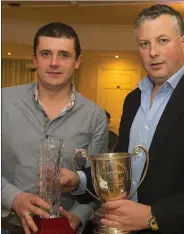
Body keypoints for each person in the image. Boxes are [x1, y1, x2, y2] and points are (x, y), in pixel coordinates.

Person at [98, 4, 184, 234]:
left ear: (183, 43)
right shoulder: (132, 100)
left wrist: (153, 216)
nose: (153, 52)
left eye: (163, 40)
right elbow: (124, 168)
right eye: (145, 44)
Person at [2, 22, 108, 234]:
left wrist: (78, 216)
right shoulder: (3, 101)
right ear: (34, 59)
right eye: (45, 53)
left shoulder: (95, 117)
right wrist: (13, 198)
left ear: (77, 61)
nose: (53, 63)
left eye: (64, 55)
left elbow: (98, 183)